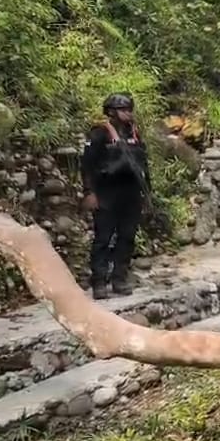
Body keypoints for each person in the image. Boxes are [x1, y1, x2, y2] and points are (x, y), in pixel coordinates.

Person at [80, 93, 151, 300]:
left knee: (127, 238)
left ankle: (120, 278)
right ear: (112, 112)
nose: (128, 114)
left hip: (131, 193)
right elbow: (86, 166)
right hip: (106, 193)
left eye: (130, 110)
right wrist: (89, 192)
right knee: (103, 238)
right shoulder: (100, 134)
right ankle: (99, 282)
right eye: (124, 110)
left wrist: (147, 194)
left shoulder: (135, 134)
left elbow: (144, 166)